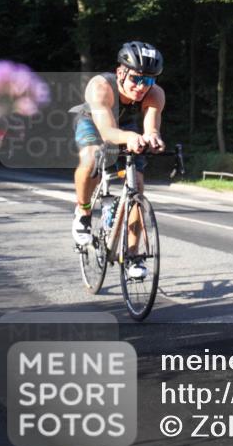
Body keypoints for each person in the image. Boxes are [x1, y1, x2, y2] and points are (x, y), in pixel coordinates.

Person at [71, 42, 165, 278]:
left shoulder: (155, 94)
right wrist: (131, 137)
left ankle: (133, 255)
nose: (142, 87)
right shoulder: (101, 86)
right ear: (120, 72)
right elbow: (107, 132)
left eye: (149, 81)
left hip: (126, 125)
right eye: (136, 79)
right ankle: (82, 213)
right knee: (91, 157)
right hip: (93, 121)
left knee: (138, 186)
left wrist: (152, 138)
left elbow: (151, 125)